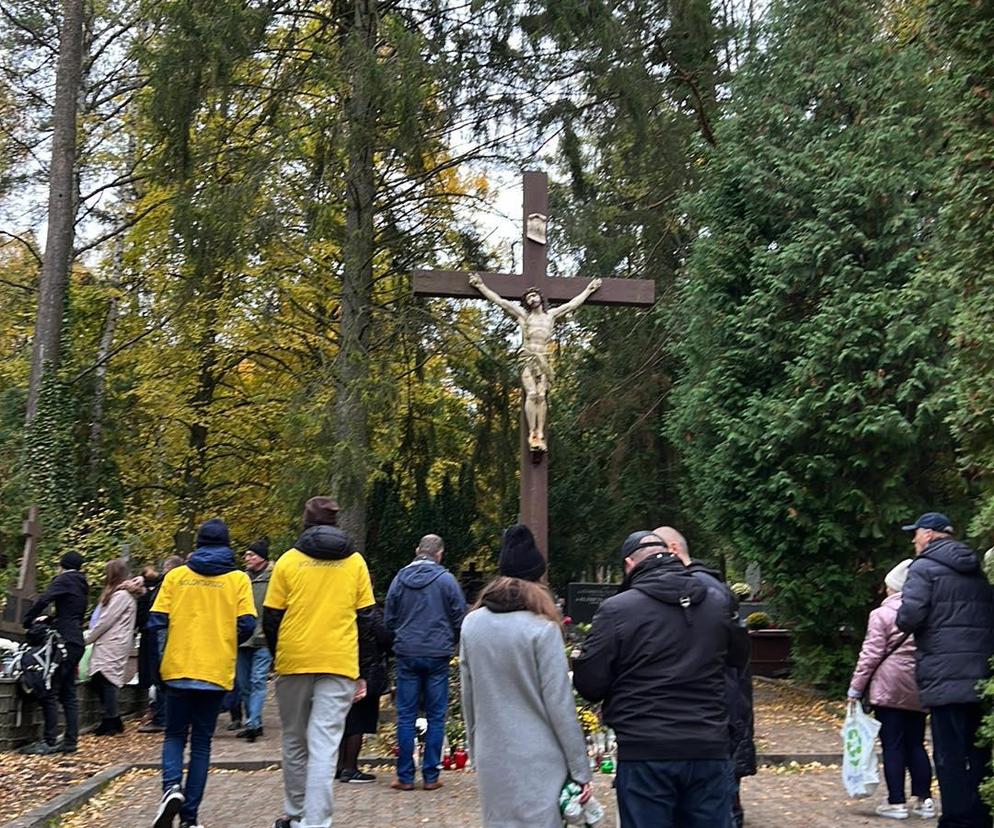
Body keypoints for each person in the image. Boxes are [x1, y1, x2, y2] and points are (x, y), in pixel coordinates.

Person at [573, 531, 749, 827]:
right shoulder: (717, 602)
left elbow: (590, 684)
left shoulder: (617, 610)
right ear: (672, 554)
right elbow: (738, 659)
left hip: (646, 748)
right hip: (707, 743)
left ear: (630, 564)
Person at [460, 524, 592, 827]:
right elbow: (559, 705)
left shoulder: (472, 625)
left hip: (493, 753)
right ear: (538, 578)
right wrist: (580, 769)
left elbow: (468, 697)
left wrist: (474, 748)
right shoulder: (542, 629)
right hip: (539, 757)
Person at [263, 496, 375, 828]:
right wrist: (364, 671)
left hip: (294, 659)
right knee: (325, 746)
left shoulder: (287, 562)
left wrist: (277, 656)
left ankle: (296, 815)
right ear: (335, 523)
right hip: (339, 661)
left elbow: (271, 618)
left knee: (295, 741)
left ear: (306, 522)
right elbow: (366, 619)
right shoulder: (355, 562)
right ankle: (317, 823)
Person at [148, 518, 256, 828]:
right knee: (202, 744)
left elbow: (156, 620)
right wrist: (224, 638)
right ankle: (190, 817)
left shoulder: (176, 577)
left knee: (174, 736)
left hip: (178, 666)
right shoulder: (238, 580)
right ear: (227, 544)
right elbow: (248, 624)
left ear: (197, 544)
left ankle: (171, 789)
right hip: (215, 669)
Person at [652, 525, 755, 828]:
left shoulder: (705, 590)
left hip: (715, 711)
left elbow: (729, 660)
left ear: (672, 549)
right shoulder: (708, 586)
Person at [896, 512, 994, 828]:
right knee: (978, 751)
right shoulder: (975, 568)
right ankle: (980, 814)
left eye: (916, 533)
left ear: (929, 534)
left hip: (944, 676)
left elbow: (909, 616)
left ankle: (956, 820)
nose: (913, 540)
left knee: (949, 755)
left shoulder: (923, 569)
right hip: (980, 676)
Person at [468, 273, 601, 451]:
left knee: (541, 395)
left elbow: (572, 304)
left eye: (534, 295)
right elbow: (500, 301)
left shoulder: (551, 316)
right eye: (528, 297)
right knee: (531, 394)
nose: (531, 299)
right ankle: (533, 433)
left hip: (544, 358)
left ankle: (540, 432)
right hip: (527, 357)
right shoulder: (524, 316)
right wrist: (480, 286)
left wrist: (588, 290)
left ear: (540, 297)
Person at [848, 559, 934, 820]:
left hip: (888, 687)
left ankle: (896, 802)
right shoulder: (926, 613)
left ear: (893, 588)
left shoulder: (881, 615)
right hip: (918, 684)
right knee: (916, 743)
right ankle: (924, 799)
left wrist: (855, 689)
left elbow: (870, 655)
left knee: (893, 745)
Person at [384, 533, 466, 791]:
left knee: (406, 716)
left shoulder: (399, 579)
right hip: (437, 654)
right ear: (439, 553)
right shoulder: (446, 580)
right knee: (436, 716)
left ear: (417, 549)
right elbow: (460, 617)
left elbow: (389, 618)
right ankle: (431, 775)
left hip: (407, 652)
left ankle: (405, 776)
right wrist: (450, 641)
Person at [20, 551, 89, 755]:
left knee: (50, 688)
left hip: (63, 643)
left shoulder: (65, 579)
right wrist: (51, 621)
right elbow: (70, 613)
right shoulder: (82, 583)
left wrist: (28, 619)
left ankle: (49, 741)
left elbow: (44, 599)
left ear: (62, 565)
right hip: (76, 640)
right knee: (68, 692)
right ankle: (70, 741)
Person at [336, 577, 392, 784]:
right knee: (359, 721)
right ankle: (350, 767)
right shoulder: (371, 611)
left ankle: (341, 765)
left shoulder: (342, 607)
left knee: (346, 718)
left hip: (342, 667)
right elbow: (385, 637)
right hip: (367, 669)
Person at [85, 559, 146, 736]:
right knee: (102, 678)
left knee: (106, 679)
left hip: (112, 641)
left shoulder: (120, 596)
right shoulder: (123, 594)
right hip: (114, 641)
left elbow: (106, 620)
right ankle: (113, 719)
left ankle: (111, 720)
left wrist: (89, 638)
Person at [138, 555, 184, 733]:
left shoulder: (169, 584)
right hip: (161, 632)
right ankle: (163, 715)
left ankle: (162, 717)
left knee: (161, 674)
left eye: (165, 568)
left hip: (161, 632)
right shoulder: (164, 584)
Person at [236, 538, 273, 742]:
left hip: (263, 638)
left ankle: (252, 722)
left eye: (251, 554)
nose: (247, 558)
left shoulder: (273, 579)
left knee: (258, 680)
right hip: (242, 639)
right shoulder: (240, 579)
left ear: (262, 558)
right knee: (243, 684)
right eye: (246, 554)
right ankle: (254, 721)